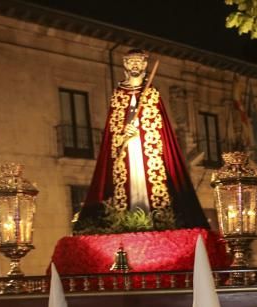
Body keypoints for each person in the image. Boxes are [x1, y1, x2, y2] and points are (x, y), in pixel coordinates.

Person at [77, 49, 207, 231]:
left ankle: (156, 219)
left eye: (138, 61)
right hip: (127, 152)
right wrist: (123, 134)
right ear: (125, 65)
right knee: (129, 182)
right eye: (131, 62)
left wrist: (140, 130)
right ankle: (126, 220)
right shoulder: (118, 96)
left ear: (145, 65)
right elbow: (112, 134)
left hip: (147, 151)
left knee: (147, 181)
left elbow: (159, 128)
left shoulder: (152, 94)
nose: (135, 65)